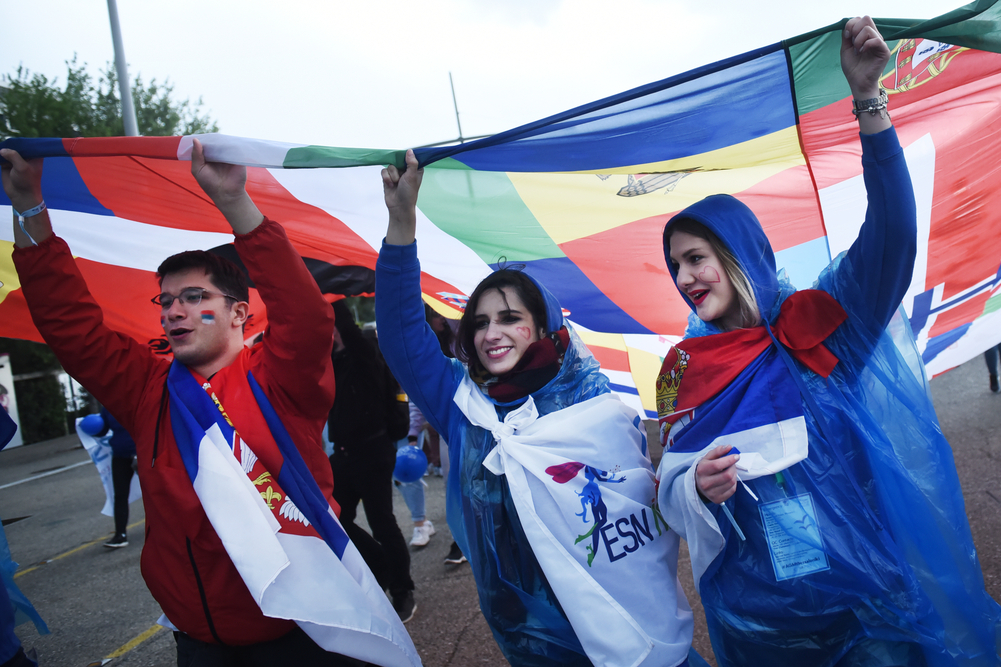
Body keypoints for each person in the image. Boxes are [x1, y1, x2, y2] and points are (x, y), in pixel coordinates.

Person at [655, 17, 1001, 667]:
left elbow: (893, 236)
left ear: (741, 253)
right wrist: (692, 484)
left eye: (696, 256)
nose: (684, 277)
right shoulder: (684, 368)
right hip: (759, 626)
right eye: (674, 264)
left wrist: (868, 102)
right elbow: (667, 480)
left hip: (866, 612)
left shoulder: (818, 321)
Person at [0, 142, 378, 664]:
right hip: (199, 643)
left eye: (195, 297)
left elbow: (306, 315)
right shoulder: (145, 388)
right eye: (167, 300)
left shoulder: (279, 381)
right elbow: (72, 327)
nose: (175, 310)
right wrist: (27, 206)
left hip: (306, 635)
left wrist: (234, 202)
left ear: (240, 313)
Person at [377, 152, 701, 666]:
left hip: (628, 615)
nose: (491, 334)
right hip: (535, 636)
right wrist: (401, 224)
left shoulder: (592, 404)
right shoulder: (464, 406)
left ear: (545, 328)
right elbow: (401, 336)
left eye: (509, 318)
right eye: (479, 323)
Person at [327, 301, 417, 622]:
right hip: (343, 454)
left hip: (374, 451)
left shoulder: (364, 354)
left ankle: (402, 590)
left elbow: (348, 329)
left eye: (330, 324)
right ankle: (378, 564)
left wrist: (330, 296)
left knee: (382, 522)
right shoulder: (329, 362)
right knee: (333, 519)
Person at [92, 407, 138, 548]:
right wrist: (91, 426)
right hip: (119, 455)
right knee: (119, 495)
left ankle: (168, 529)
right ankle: (120, 535)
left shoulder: (135, 398)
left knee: (154, 493)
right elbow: (103, 430)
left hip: (142, 452)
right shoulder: (107, 406)